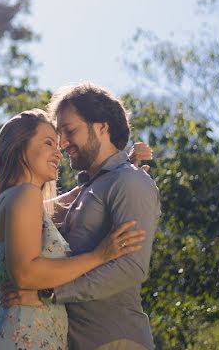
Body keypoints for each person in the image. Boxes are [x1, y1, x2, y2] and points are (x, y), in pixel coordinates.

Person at [0, 108, 147, 350]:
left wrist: (123, 167)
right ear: (18, 147)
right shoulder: (25, 194)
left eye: (57, 145)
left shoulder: (16, 197)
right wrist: (100, 255)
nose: (58, 153)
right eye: (48, 143)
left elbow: (80, 195)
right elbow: (26, 274)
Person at [43, 83, 161, 350]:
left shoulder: (130, 182)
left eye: (70, 131)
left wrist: (54, 294)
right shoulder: (89, 188)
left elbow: (132, 268)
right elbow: (32, 213)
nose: (62, 144)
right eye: (59, 134)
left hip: (115, 341)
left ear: (102, 127)